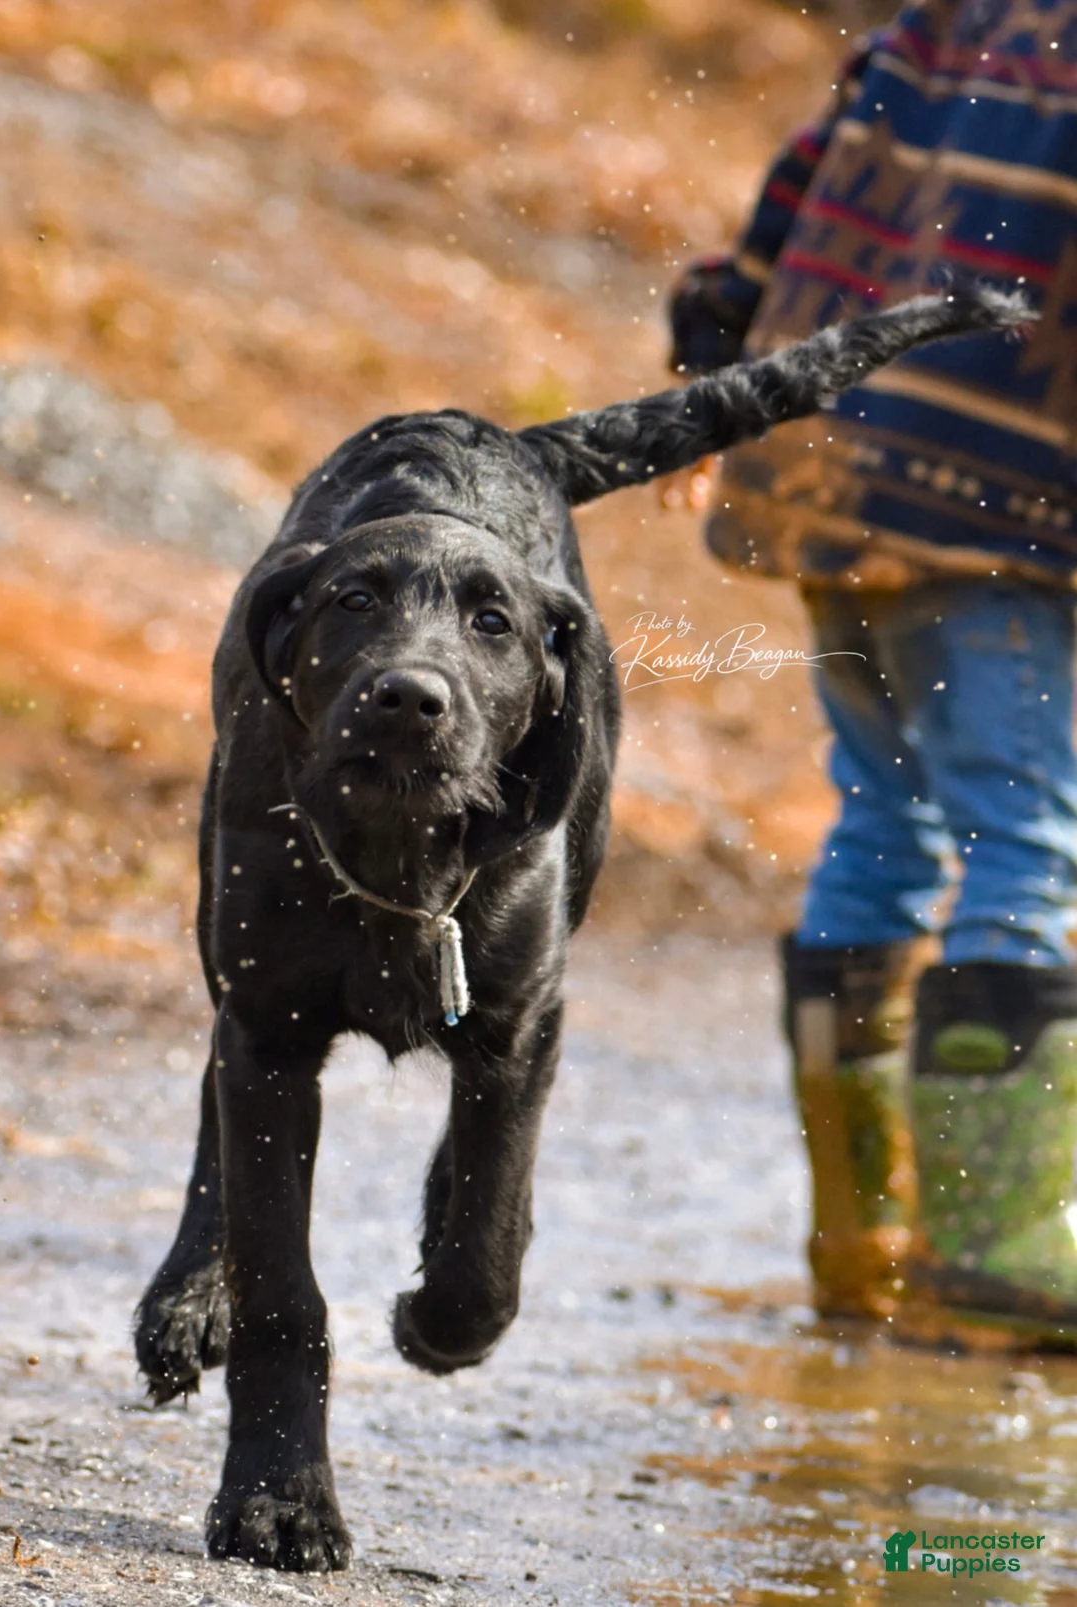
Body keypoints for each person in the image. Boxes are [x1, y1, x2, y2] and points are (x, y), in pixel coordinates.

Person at [668, 0, 1077, 1348]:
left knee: (883, 820)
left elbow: (794, 195)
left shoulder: (939, 23)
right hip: (995, 505)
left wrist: (711, 369)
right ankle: (998, 1248)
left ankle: (868, 1235)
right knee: (1024, 838)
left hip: (832, 472)